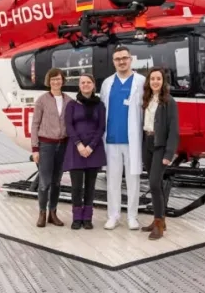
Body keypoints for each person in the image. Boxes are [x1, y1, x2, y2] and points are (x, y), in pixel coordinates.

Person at [99, 45, 145, 230]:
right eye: (118, 59)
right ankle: (114, 215)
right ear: (113, 62)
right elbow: (102, 110)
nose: (121, 62)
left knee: (133, 180)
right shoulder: (107, 83)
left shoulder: (141, 81)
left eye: (124, 58)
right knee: (113, 180)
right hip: (111, 140)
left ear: (131, 59)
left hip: (132, 141)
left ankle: (132, 216)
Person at [140, 66, 180, 240]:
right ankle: (160, 219)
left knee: (155, 183)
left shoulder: (169, 101)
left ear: (163, 82)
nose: (155, 81)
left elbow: (174, 130)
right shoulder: (146, 99)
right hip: (147, 143)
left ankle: (158, 224)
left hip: (160, 146)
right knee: (153, 183)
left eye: (158, 79)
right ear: (149, 81)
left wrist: (169, 153)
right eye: (152, 79)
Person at [30, 67, 73, 228]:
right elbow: (35, 125)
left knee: (56, 182)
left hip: (62, 145)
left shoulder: (69, 101)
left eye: (59, 79)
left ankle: (53, 213)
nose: (56, 82)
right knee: (44, 182)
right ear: (49, 81)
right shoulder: (42, 100)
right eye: (53, 79)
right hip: (46, 145)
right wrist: (35, 148)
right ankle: (42, 213)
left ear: (63, 81)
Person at [63, 73, 107, 230]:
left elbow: (101, 127)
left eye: (89, 82)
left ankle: (87, 218)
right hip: (76, 149)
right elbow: (69, 126)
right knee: (76, 186)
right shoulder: (72, 105)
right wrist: (79, 145)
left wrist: (91, 146)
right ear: (79, 86)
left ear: (93, 85)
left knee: (90, 186)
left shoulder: (100, 105)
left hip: (93, 149)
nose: (86, 85)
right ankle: (76, 218)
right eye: (83, 82)